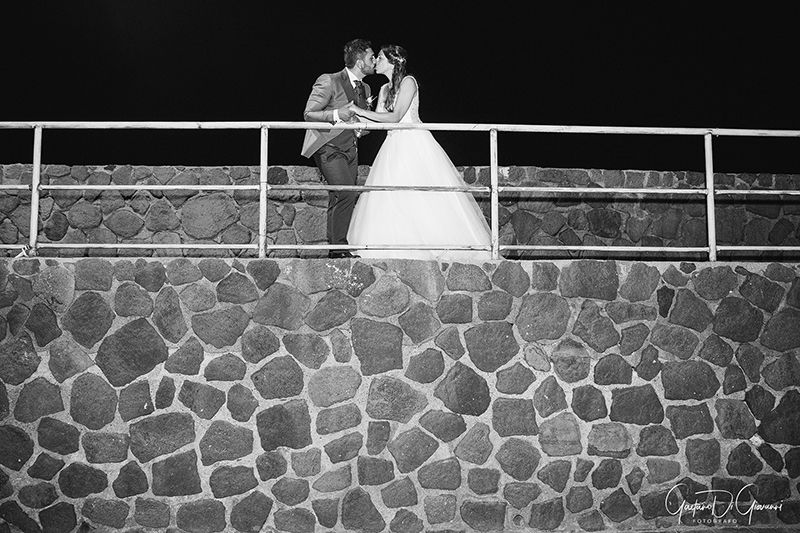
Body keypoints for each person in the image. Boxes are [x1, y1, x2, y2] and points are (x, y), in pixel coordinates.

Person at [346, 45, 491, 261]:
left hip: (414, 143)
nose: (376, 61)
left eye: (381, 58)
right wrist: (352, 120)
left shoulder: (408, 82)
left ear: (394, 61)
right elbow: (379, 121)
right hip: (392, 146)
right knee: (391, 197)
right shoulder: (385, 89)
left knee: (421, 193)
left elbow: (395, 117)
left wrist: (359, 110)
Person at [302, 39, 375, 258]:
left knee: (342, 196)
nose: (374, 61)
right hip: (328, 146)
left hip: (350, 149)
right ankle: (339, 247)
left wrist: (362, 129)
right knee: (344, 192)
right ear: (360, 62)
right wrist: (336, 114)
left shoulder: (367, 88)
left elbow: (361, 119)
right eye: (371, 57)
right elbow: (309, 113)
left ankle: (335, 248)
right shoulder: (329, 80)